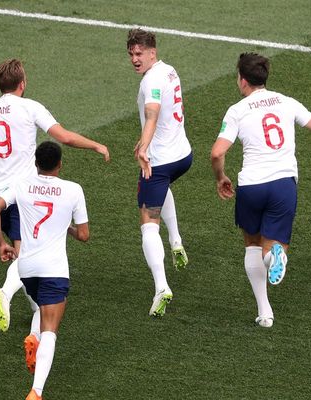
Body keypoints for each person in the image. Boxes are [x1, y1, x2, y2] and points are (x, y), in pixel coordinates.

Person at [0, 58, 109, 332]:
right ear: (22, 84)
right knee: (26, 253)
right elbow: (64, 137)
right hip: (25, 194)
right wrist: (96, 145)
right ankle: (5, 292)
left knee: (22, 252)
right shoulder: (29, 108)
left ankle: (36, 309)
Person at [210, 53, 311, 328]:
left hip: (251, 186)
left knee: (251, 245)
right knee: (271, 247)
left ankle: (265, 312)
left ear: (242, 80)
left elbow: (217, 153)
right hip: (282, 185)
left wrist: (221, 178)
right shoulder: (286, 102)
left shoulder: (237, 110)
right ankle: (273, 256)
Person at [0, 141, 89, 400]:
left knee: (39, 310)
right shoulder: (73, 190)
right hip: (54, 269)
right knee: (51, 330)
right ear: (60, 164)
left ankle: (32, 336)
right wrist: (66, 226)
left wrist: (1, 243)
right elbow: (84, 235)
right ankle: (36, 391)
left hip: (27, 269)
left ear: (36, 163)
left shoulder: (22, 184)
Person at [127, 28, 193, 317]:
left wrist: (145, 147)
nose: (134, 59)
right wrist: (145, 139)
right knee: (159, 187)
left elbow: (152, 112)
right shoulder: (169, 70)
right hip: (183, 155)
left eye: (139, 53)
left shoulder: (152, 79)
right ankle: (176, 241)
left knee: (147, 222)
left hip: (161, 160)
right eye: (130, 54)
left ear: (152, 52)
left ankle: (161, 287)